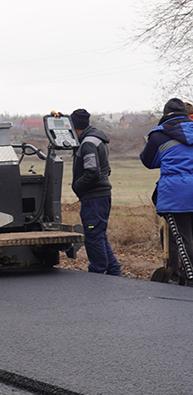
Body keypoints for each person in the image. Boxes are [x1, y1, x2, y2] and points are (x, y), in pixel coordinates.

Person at [140, 98, 193, 282]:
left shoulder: (159, 135)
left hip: (176, 194)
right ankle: (179, 276)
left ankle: (188, 278)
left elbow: (148, 161)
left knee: (182, 239)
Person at [69, 108, 121, 276]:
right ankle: (113, 270)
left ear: (74, 126)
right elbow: (106, 169)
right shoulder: (97, 139)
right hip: (101, 195)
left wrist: (77, 186)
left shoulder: (87, 143)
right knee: (98, 233)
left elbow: (92, 171)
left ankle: (97, 272)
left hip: (93, 197)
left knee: (93, 234)